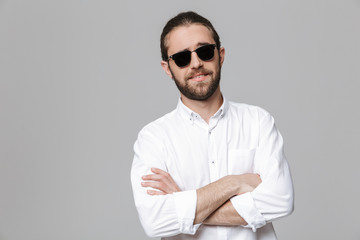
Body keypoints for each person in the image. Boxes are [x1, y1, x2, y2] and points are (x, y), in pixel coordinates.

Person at [131, 11, 294, 240]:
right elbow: (155, 222)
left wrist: (183, 200)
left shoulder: (258, 122)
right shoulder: (153, 139)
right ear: (167, 68)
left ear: (221, 55)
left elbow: (280, 200)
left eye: (205, 52)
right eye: (182, 58)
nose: (196, 63)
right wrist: (234, 182)